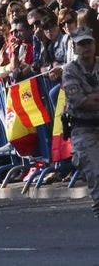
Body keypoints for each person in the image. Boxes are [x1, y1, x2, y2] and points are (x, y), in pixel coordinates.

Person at [61, 27, 99, 218]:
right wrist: (88, 99)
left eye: (89, 42)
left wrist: (92, 97)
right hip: (83, 128)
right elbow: (80, 102)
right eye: (81, 44)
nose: (86, 47)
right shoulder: (70, 71)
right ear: (74, 48)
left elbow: (89, 100)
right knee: (96, 173)